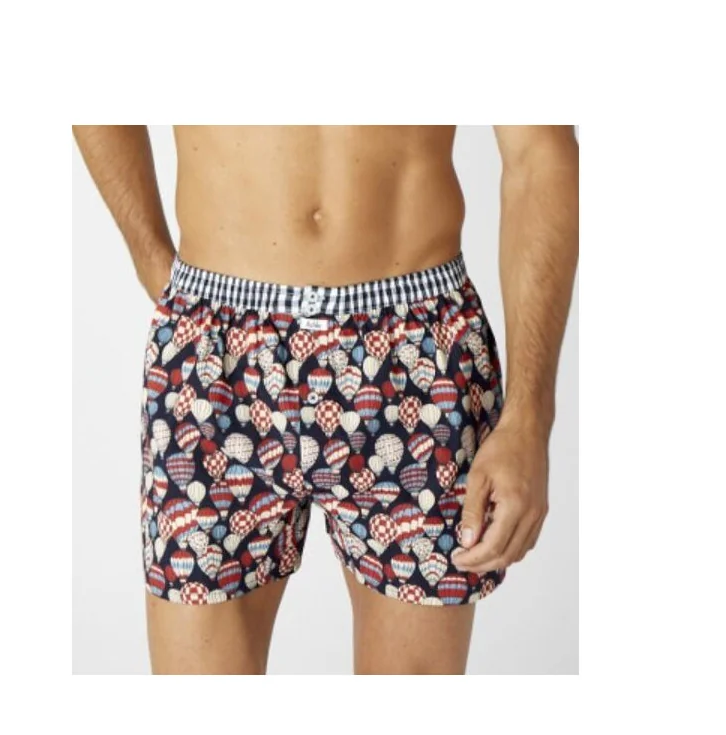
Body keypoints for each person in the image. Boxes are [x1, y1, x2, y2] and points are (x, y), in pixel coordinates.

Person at [73, 125, 578, 674]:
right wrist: (152, 259)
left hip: (415, 356)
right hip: (215, 357)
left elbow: (539, 152)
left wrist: (530, 418)